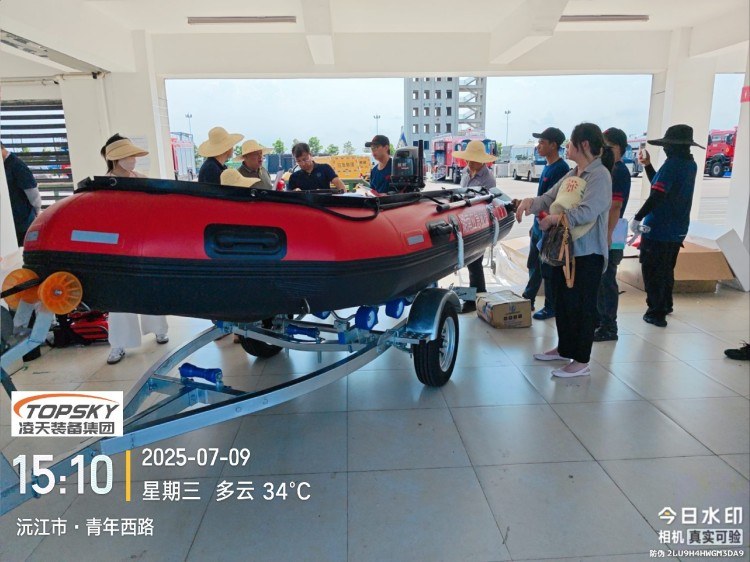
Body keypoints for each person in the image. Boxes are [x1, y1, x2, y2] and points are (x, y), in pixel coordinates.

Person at [515, 123, 613, 378]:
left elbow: (588, 211)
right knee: (564, 302)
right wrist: (529, 203)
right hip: (565, 251)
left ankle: (581, 361)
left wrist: (554, 220)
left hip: (587, 254)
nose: (567, 146)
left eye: (571, 141)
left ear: (584, 145)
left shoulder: (599, 175)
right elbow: (549, 198)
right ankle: (564, 348)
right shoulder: (573, 174)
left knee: (582, 306)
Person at [100, 134, 169, 364]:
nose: (132, 160)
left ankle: (159, 329)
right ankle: (119, 343)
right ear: (115, 158)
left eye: (133, 155)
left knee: (150, 286)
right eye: (128, 156)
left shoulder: (142, 180)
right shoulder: (103, 185)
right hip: (116, 245)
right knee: (119, 295)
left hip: (143, 243)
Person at [632, 124, 702, 328]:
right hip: (677, 229)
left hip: (660, 228)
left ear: (675, 146)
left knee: (653, 271)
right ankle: (666, 304)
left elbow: (657, 194)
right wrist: (648, 166)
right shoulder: (690, 164)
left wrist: (638, 217)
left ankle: (656, 313)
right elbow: (660, 185)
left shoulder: (672, 165)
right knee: (666, 269)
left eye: (667, 145)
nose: (665, 148)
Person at [520, 127, 570, 320]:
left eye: (542, 142)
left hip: (550, 226)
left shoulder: (561, 169)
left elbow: (554, 202)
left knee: (548, 268)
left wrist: (544, 222)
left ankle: (551, 306)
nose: (538, 146)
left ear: (553, 145)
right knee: (534, 263)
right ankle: (529, 298)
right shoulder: (548, 166)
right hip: (539, 224)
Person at [594, 127, 632, 341]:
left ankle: (609, 327)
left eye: (610, 147)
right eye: (603, 146)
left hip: (611, 235)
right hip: (603, 233)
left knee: (607, 281)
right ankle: (599, 321)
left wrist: (607, 234)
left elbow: (615, 206)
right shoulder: (608, 169)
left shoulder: (618, 171)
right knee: (600, 281)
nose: (605, 150)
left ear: (621, 149)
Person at [451, 140, 497, 313]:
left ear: (482, 160)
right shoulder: (466, 172)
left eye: (473, 159)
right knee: (470, 262)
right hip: (466, 220)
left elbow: (489, 201)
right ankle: (478, 295)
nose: (470, 162)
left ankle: (473, 301)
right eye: (468, 159)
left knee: (475, 261)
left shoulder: (488, 178)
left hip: (479, 222)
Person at [2, 141, 42, 246]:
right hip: (14, 221)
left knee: (23, 250)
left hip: (23, 221)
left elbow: (32, 192)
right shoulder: (5, 165)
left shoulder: (16, 165)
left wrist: (37, 211)